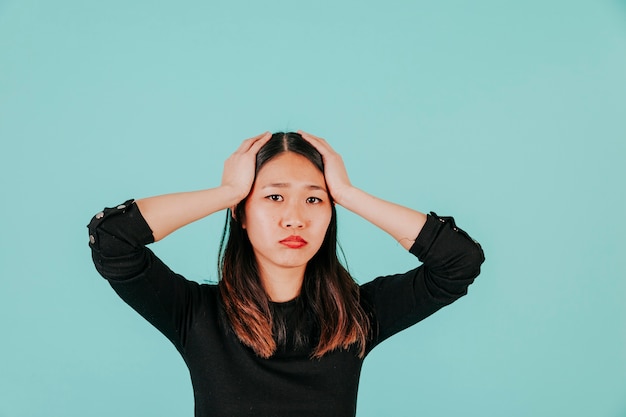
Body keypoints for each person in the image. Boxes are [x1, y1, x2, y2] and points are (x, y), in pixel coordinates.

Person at [87, 131, 485, 417]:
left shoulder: (357, 317)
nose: (294, 218)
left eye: (314, 199)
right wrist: (226, 193)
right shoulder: (196, 314)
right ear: (242, 212)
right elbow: (112, 240)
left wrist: (348, 194)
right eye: (274, 196)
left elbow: (459, 262)